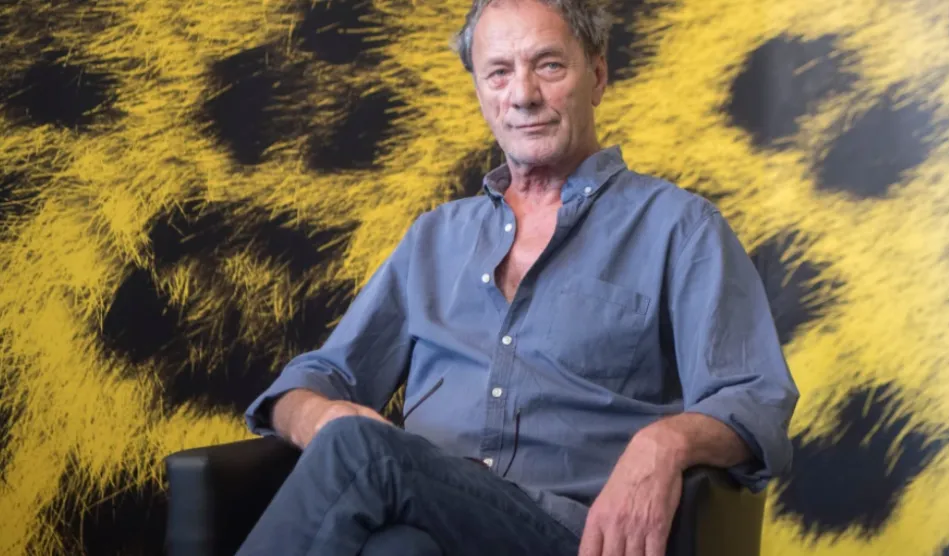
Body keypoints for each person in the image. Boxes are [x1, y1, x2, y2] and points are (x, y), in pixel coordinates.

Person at [236, 0, 799, 554]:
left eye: (548, 65)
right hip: (428, 515)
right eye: (499, 73)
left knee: (365, 451)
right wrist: (319, 414)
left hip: (568, 533)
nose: (523, 95)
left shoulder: (680, 228)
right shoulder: (434, 237)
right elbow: (316, 377)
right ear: (480, 92)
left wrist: (667, 440)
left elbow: (755, 398)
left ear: (597, 75)